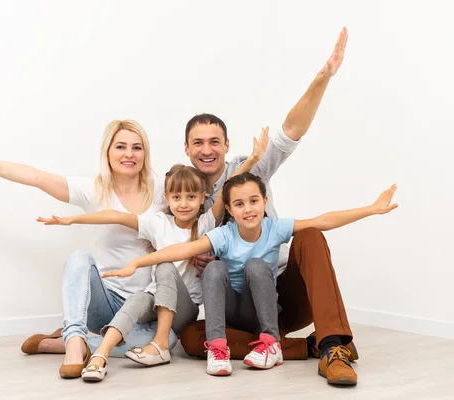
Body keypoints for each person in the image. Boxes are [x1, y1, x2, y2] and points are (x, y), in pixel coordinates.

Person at [179, 27, 363, 385]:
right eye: (197, 142)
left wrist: (323, 78)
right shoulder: (180, 195)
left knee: (309, 235)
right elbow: (164, 241)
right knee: (189, 338)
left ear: (227, 145)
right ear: (186, 148)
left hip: (281, 295)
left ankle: (332, 347)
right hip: (234, 304)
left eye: (214, 141)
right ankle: (296, 348)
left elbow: (292, 130)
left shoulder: (251, 168)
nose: (206, 149)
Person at [105, 173, 398, 385]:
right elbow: (182, 249)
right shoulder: (223, 234)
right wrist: (137, 262)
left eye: (254, 201)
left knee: (268, 259)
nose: (248, 209)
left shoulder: (275, 228)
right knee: (197, 321)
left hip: (268, 310)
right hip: (236, 314)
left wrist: (371, 209)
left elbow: (323, 220)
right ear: (229, 210)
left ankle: (293, 343)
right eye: (240, 204)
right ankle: (235, 348)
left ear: (265, 202)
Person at [0, 119, 169, 379]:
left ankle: (67, 343)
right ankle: (73, 341)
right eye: (121, 147)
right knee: (79, 258)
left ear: (145, 153)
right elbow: (36, 177)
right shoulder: (94, 190)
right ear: (108, 152)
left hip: (147, 305)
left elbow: (195, 209)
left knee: (169, 340)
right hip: (106, 302)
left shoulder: (161, 189)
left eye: (137, 148)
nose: (129, 154)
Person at [36, 128, 270, 382]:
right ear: (167, 198)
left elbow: (226, 188)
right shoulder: (158, 223)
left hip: (184, 308)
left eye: (191, 197)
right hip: (154, 299)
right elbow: (115, 215)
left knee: (165, 267)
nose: (183, 204)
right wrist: (73, 220)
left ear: (202, 198)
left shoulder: (204, 224)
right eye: (177, 197)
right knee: (138, 299)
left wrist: (253, 160)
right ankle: (97, 353)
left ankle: (155, 343)